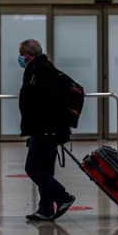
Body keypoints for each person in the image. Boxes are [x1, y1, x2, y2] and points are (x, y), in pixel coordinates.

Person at [18, 38, 76, 221]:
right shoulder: (43, 68)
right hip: (48, 130)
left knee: (33, 168)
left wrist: (37, 129)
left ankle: (63, 196)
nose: (20, 58)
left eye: (22, 54)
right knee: (45, 169)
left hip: (46, 130)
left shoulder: (39, 70)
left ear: (29, 54)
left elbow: (41, 104)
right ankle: (46, 209)